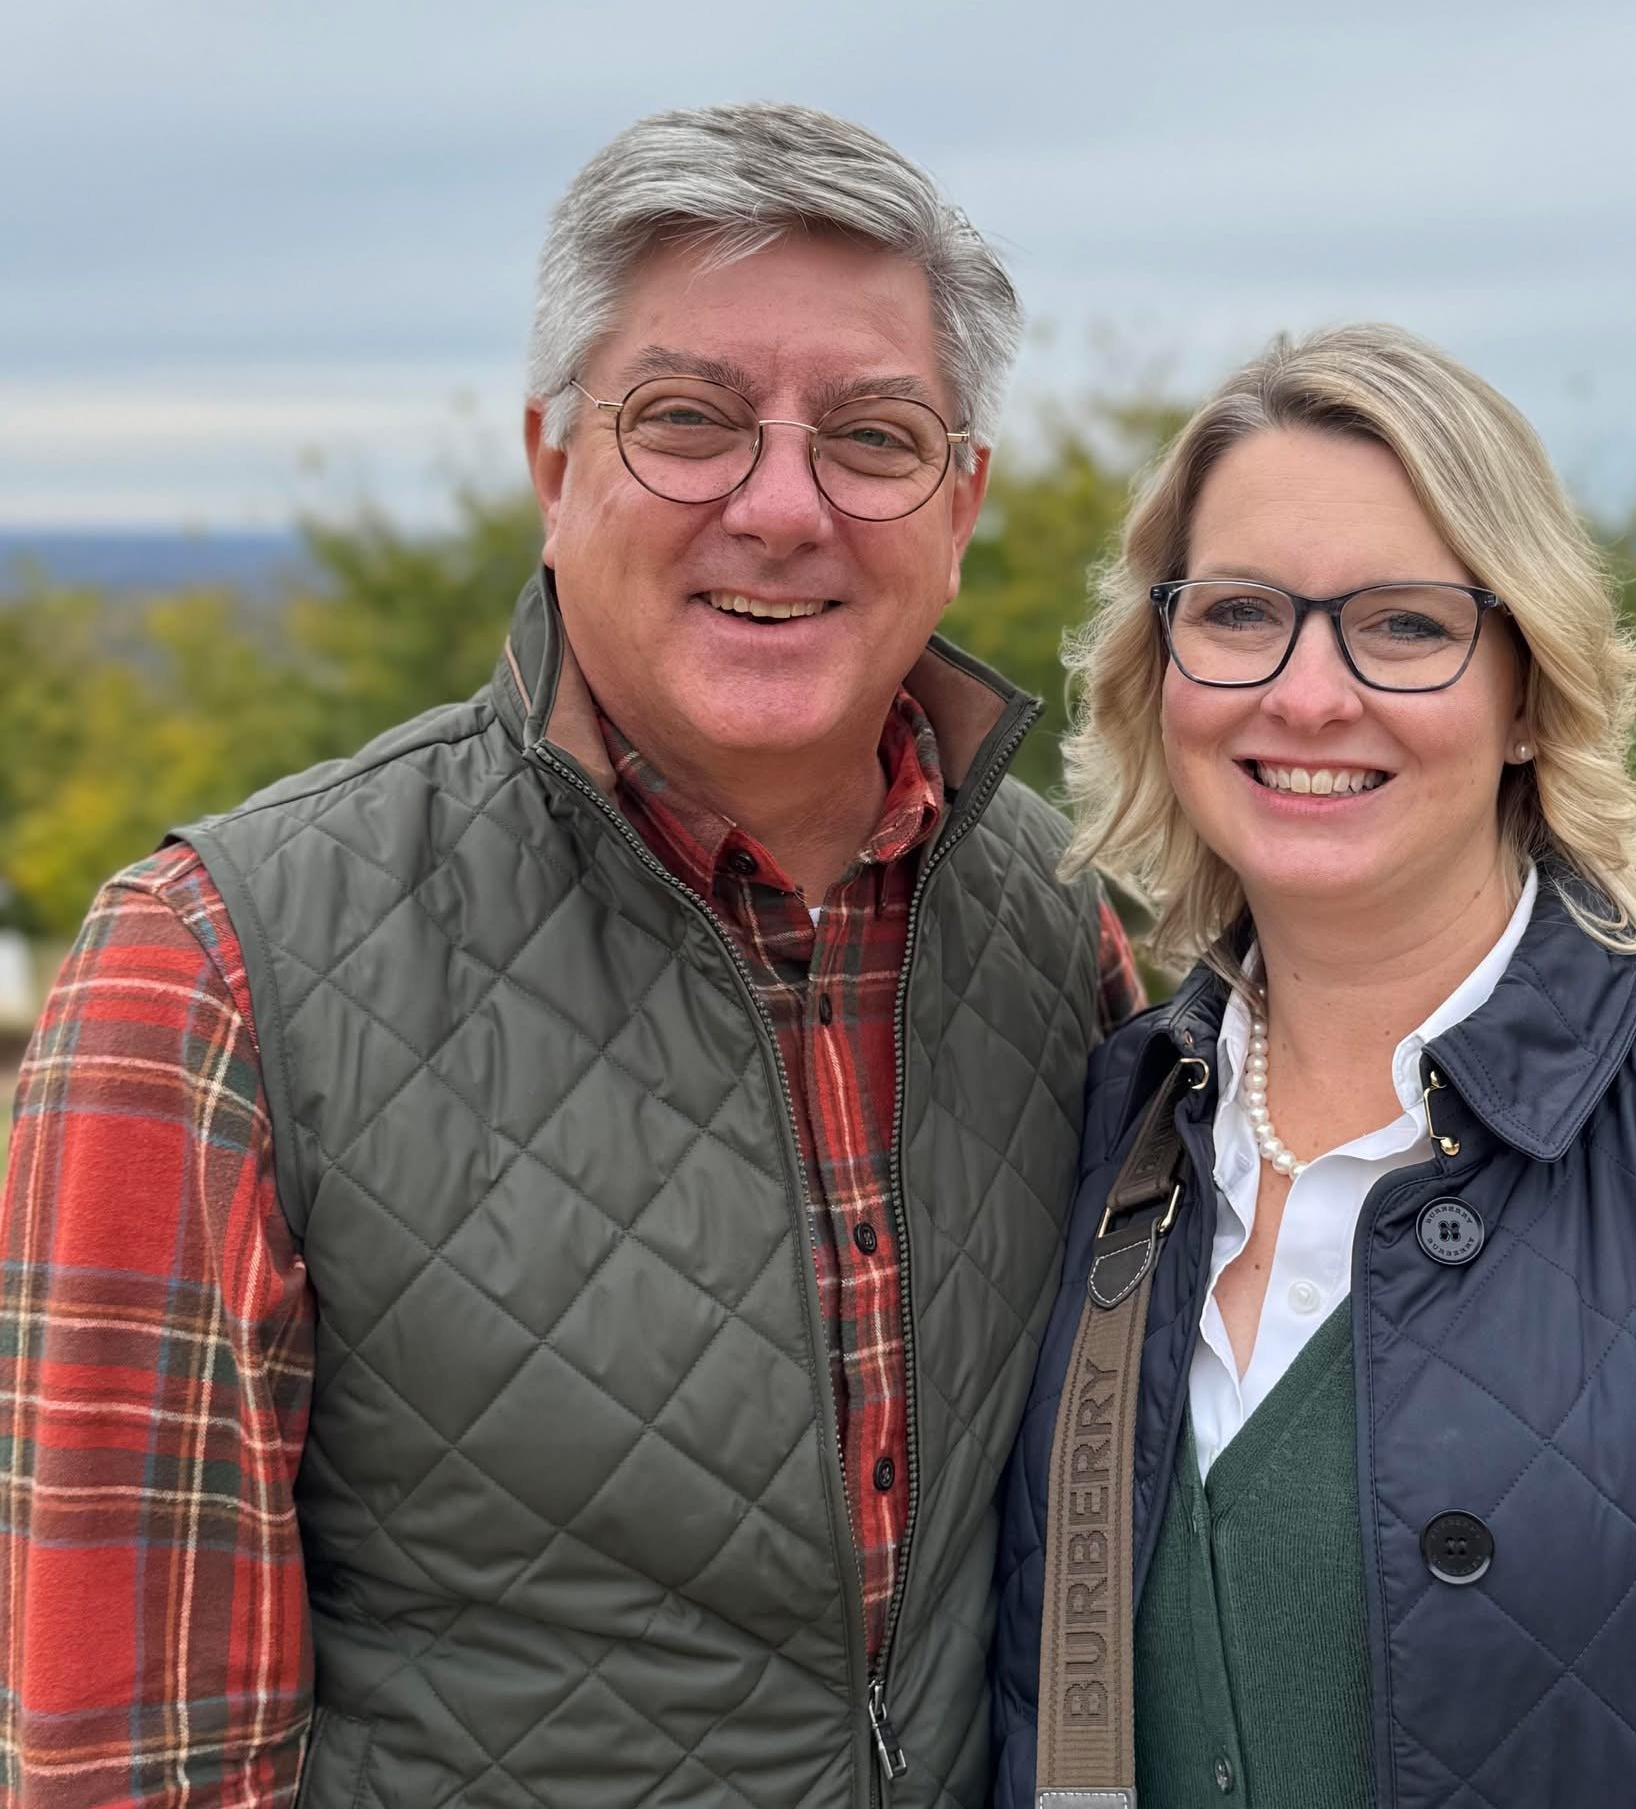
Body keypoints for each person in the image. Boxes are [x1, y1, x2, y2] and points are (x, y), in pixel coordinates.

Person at [0, 103, 1140, 1809]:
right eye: (685, 422)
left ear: (959, 501)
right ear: (552, 469)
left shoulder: (1068, 925)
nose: (779, 505)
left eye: (876, 436)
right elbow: (122, 1761)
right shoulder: (209, 976)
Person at [991, 324, 1636, 1808]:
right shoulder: (1106, 1125)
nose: (1305, 694)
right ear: (1158, 665)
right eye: (1239, 612)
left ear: (1531, 690)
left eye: (1405, 626)